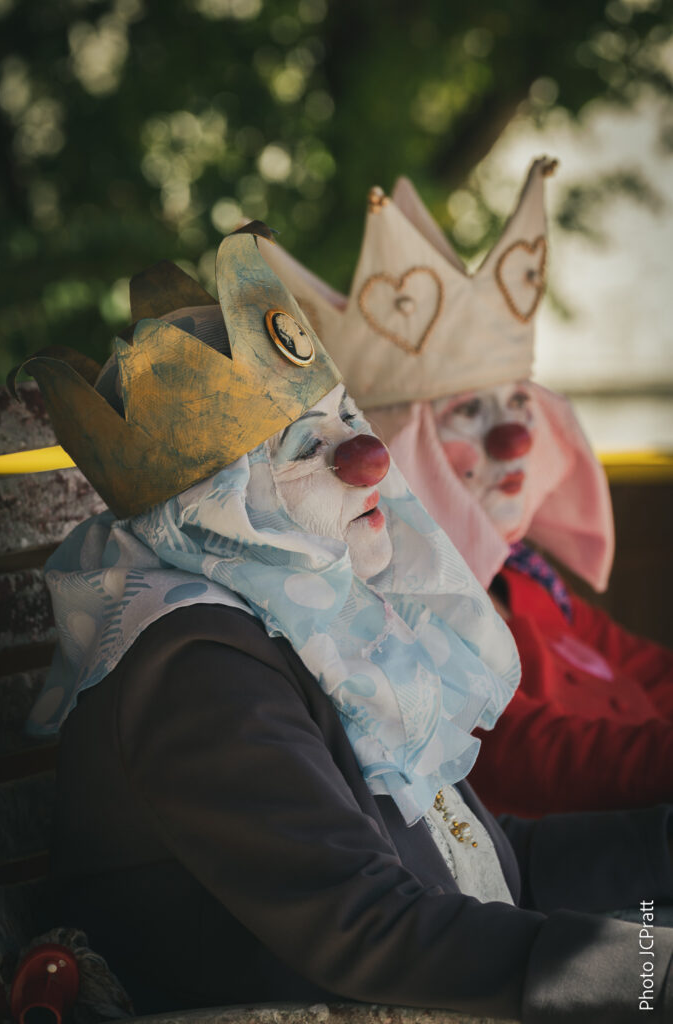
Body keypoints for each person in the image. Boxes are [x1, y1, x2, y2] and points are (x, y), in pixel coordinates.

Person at [14, 224, 673, 1021]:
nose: (369, 459)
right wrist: (641, 972)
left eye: (345, 418)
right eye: (304, 446)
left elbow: (488, 870)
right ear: (220, 507)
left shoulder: (316, 625)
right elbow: (365, 927)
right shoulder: (193, 669)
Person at [260, 160, 673, 818]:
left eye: (516, 404)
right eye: (468, 414)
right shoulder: (397, 605)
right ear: (402, 445)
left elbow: (641, 669)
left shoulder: (525, 578)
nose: (515, 440)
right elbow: (516, 756)